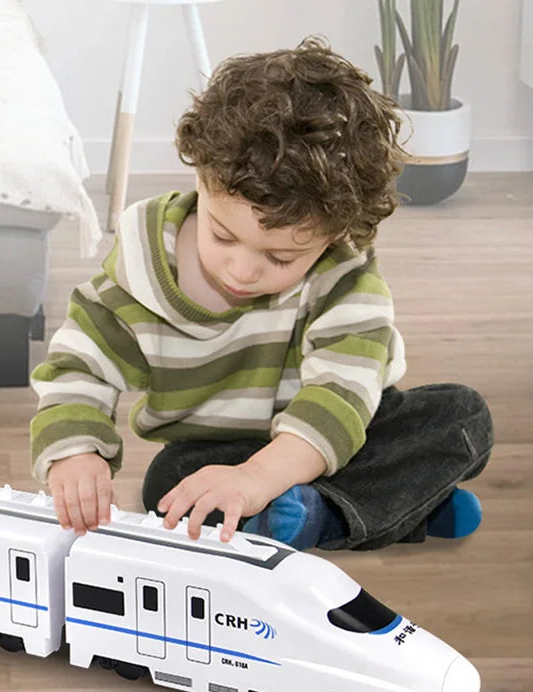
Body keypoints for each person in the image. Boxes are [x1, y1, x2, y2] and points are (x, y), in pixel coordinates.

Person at [29, 37, 493, 552]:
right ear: (201, 175)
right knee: (169, 484)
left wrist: (261, 479)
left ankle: (321, 513)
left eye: (281, 258)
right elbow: (78, 366)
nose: (243, 270)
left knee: (463, 416)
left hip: (339, 429)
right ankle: (396, 506)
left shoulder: (345, 277)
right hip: (222, 450)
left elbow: (341, 396)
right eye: (222, 235)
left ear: (335, 234)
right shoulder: (139, 273)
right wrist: (75, 451)